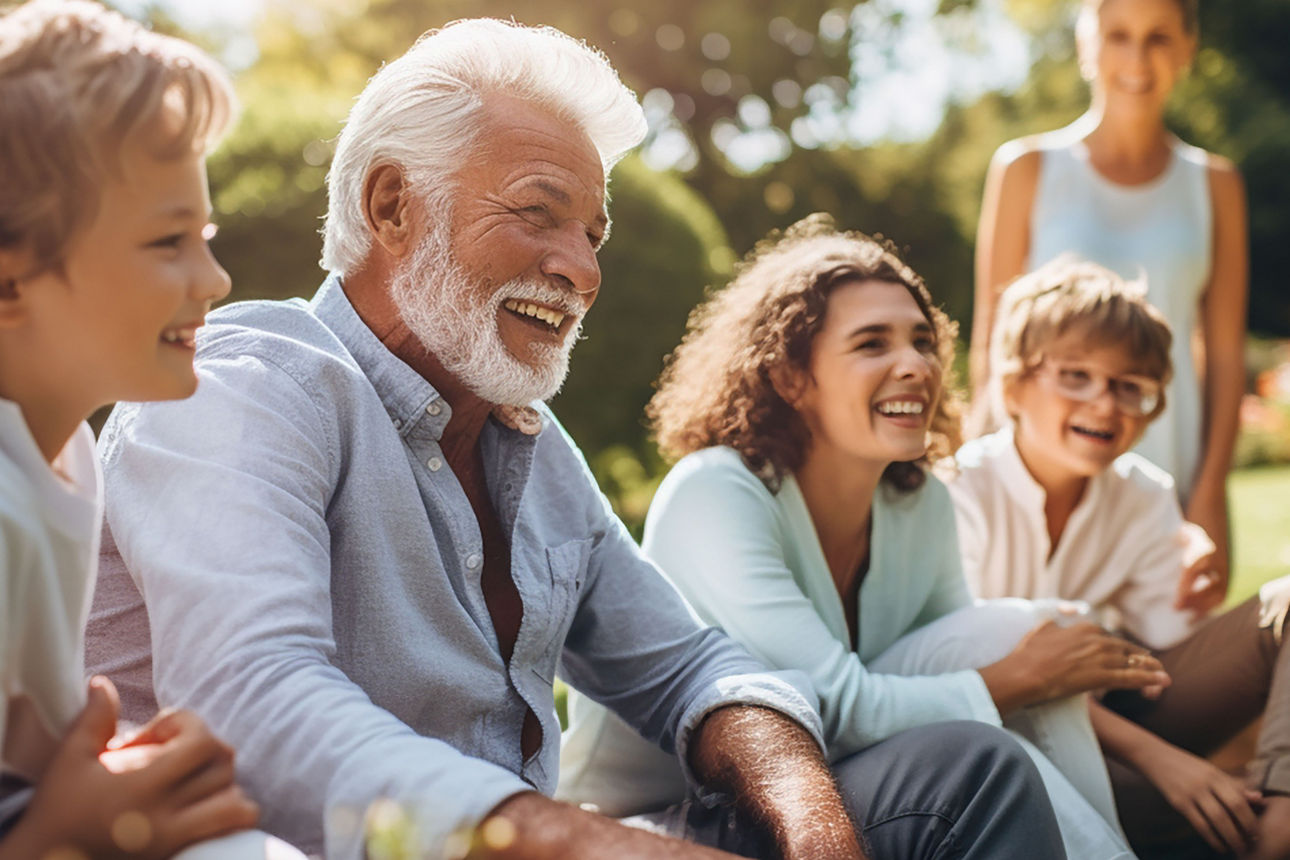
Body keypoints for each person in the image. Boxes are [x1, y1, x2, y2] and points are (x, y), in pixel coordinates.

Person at [75, 19, 1059, 860]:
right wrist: (570, 838)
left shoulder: (533, 453)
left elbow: (690, 667)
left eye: (593, 233)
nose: (579, 270)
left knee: (963, 772)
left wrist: (811, 820)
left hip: (543, 836)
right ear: (391, 207)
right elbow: (253, 701)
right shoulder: (247, 382)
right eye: (538, 214)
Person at [559, 214, 1172, 859]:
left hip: (830, 777)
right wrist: (1016, 679)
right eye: (872, 344)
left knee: (1020, 639)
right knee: (998, 716)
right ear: (790, 377)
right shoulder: (715, 493)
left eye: (923, 341)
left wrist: (1027, 669)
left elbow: (964, 657)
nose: (914, 364)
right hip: (673, 817)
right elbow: (828, 707)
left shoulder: (920, 500)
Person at [0, 1, 303, 858]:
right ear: (11, 284)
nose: (214, 275)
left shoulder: (65, 450)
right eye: (169, 241)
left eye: (202, 233)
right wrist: (72, 827)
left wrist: (110, 771)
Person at [950, 257, 1290, 860]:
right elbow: (982, 678)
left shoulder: (1142, 492)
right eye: (1075, 376)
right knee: (1197, 813)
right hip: (1000, 740)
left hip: (1114, 718)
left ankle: (1277, 816)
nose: (1105, 404)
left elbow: (1164, 662)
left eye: (1130, 386)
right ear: (1013, 386)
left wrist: (1195, 589)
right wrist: (1165, 763)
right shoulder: (960, 490)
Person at [968, 0, 1247, 611]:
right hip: (1042, 481)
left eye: (1157, 38)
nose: (1137, 59)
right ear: (1084, 46)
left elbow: (1224, 352)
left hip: (1171, 466)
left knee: (1169, 682)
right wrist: (980, 470)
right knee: (1038, 661)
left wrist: (1207, 494)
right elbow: (994, 335)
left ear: (1186, 49)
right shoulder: (1026, 168)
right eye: (1118, 36)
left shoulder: (1215, 184)